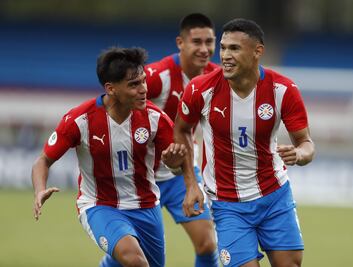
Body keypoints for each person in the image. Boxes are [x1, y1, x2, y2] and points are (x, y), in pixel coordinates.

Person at [175, 18, 315, 267]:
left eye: (235, 48)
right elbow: (182, 131)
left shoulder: (283, 90)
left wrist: (300, 154)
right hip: (227, 204)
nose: (225, 56)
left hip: (274, 196)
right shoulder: (201, 89)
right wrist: (191, 184)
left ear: (257, 51)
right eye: (224, 48)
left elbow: (306, 143)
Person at [32, 47, 187, 267]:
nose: (144, 89)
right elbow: (43, 161)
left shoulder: (155, 118)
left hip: (146, 206)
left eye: (143, 81)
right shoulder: (80, 120)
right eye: (134, 84)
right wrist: (39, 190)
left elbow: (179, 161)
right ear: (111, 88)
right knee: (135, 260)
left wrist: (175, 166)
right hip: (100, 205)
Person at [147, 13, 220, 267]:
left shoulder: (217, 78)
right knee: (134, 257)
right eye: (196, 42)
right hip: (140, 178)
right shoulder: (157, 77)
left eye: (209, 42)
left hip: (180, 175)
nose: (204, 49)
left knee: (208, 243)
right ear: (180, 43)